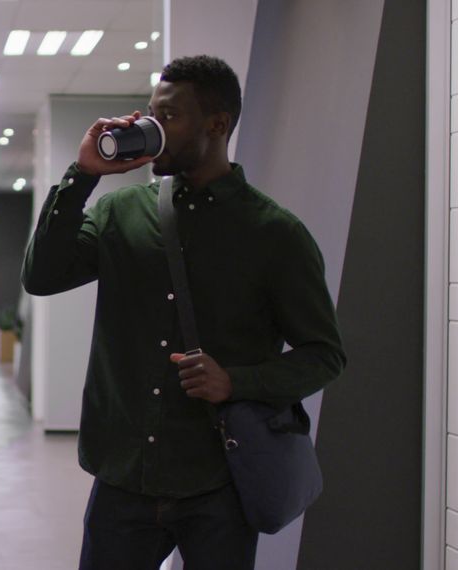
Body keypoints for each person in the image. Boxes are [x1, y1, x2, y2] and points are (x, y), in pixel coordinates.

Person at [21, 55, 346, 569]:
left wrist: (235, 381)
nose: (152, 127)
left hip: (219, 480)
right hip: (124, 474)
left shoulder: (274, 234)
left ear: (217, 125)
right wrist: (83, 175)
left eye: (168, 115)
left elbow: (324, 356)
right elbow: (42, 276)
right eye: (150, 112)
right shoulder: (119, 213)